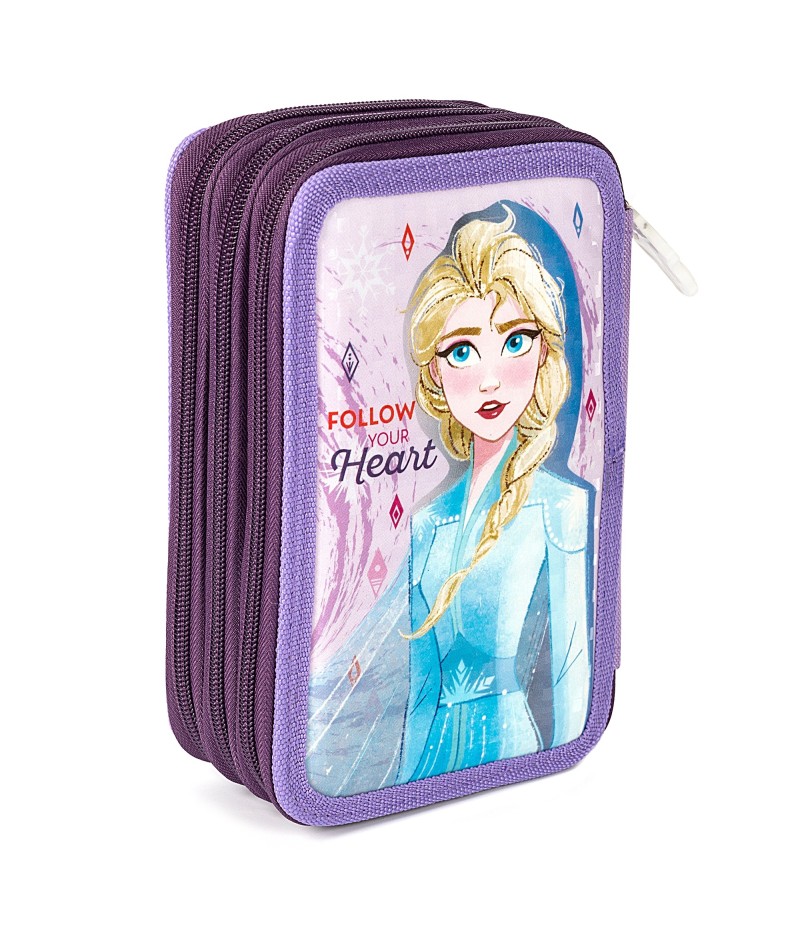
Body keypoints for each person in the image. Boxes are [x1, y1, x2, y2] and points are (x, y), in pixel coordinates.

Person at [395, 205, 592, 784]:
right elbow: (421, 690)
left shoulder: (560, 508)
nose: (489, 379)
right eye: (461, 351)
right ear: (434, 373)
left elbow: (571, 667)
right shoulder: (428, 524)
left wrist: (566, 779)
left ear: (543, 351)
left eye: (515, 341)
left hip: (519, 755)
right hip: (426, 765)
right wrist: (402, 786)